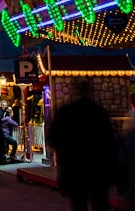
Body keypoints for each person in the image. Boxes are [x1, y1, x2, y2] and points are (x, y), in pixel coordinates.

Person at [48, 81, 117, 211]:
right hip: (97, 168)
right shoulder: (99, 112)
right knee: (100, 203)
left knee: (78, 203)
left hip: (74, 169)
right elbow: (110, 143)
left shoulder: (65, 112)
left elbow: (54, 140)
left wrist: (62, 171)